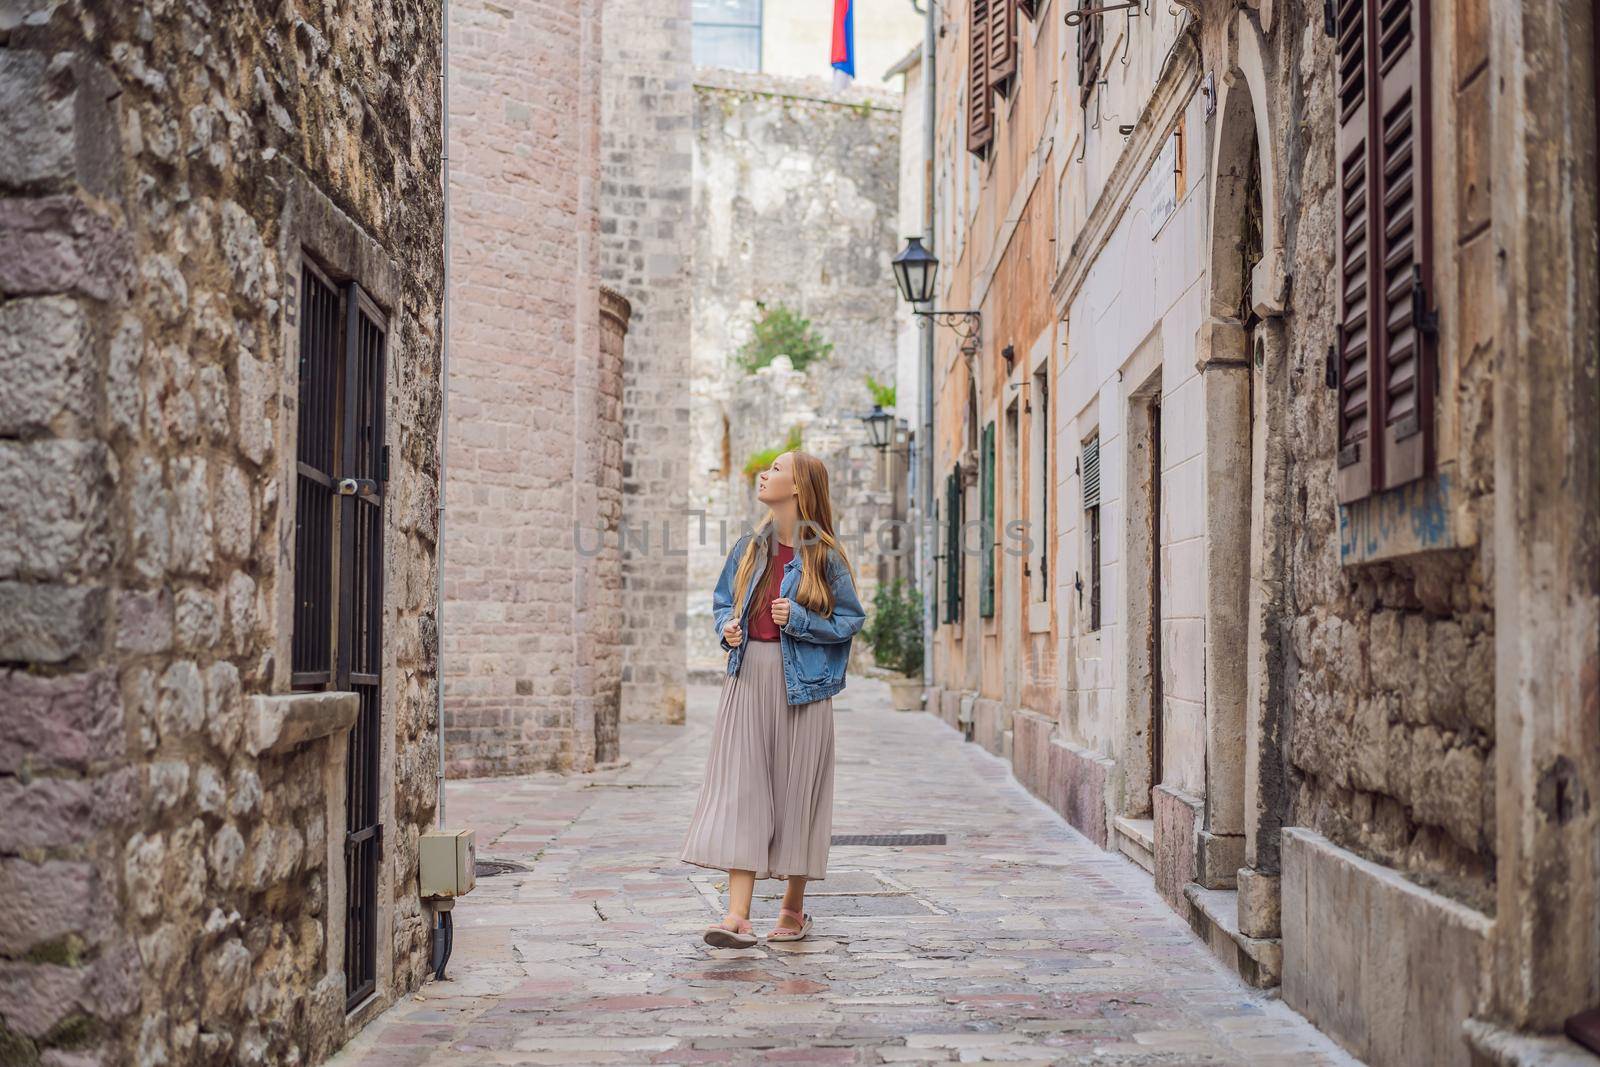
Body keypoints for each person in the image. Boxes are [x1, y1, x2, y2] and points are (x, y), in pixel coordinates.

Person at [680, 450, 866, 947]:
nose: (765, 474)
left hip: (802, 687)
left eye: (777, 469)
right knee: (743, 790)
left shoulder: (823, 556)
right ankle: (737, 916)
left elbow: (850, 621)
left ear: (800, 487)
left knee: (796, 792)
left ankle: (792, 907)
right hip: (749, 679)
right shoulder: (748, 548)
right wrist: (730, 627)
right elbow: (723, 603)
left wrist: (801, 621)